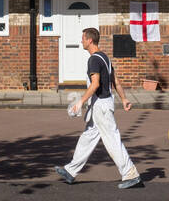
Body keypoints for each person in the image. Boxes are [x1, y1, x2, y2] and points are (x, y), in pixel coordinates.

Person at [54, 27, 142, 189]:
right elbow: (116, 81)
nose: (81, 41)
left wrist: (80, 102)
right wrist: (124, 99)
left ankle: (130, 173)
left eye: (83, 38)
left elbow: (95, 84)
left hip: (101, 105)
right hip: (101, 104)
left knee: (112, 140)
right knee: (87, 137)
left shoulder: (94, 59)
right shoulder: (105, 58)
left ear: (90, 40)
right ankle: (71, 171)